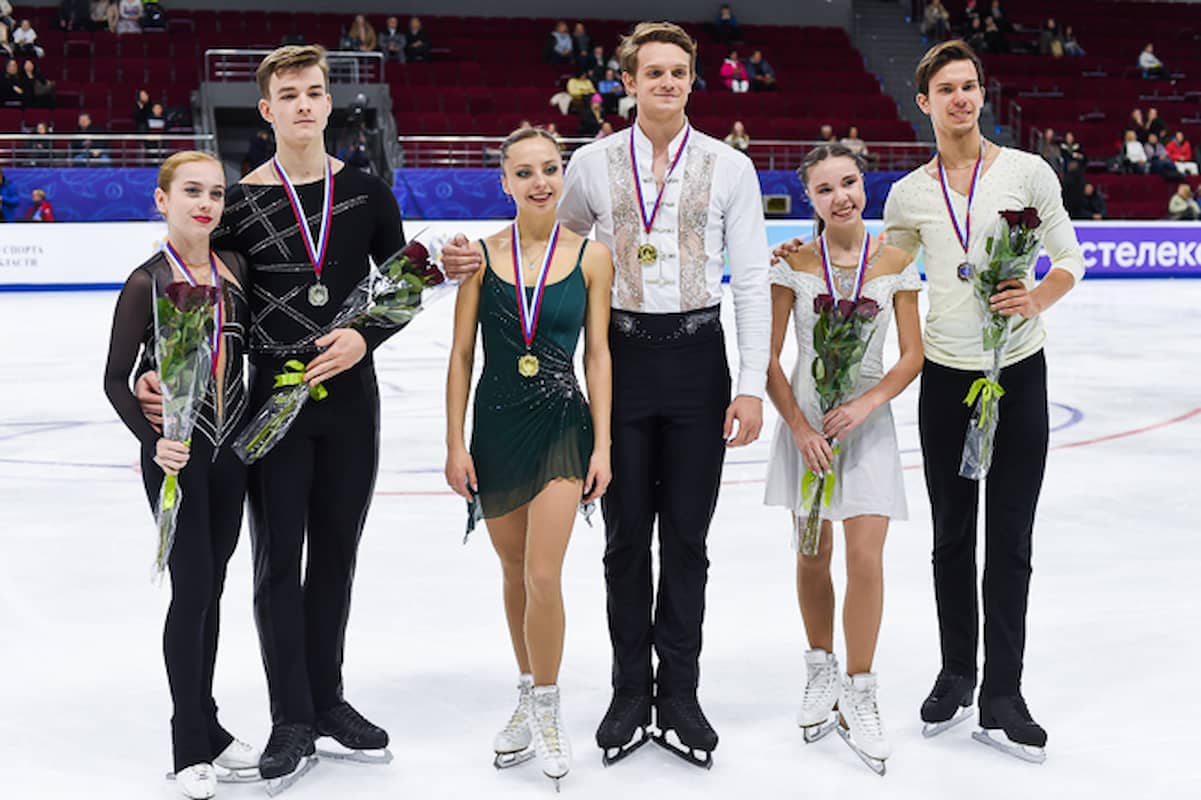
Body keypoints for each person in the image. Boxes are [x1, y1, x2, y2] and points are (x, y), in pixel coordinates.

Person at [446, 20, 769, 769]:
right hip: (617, 361)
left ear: (693, 80)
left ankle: (679, 693)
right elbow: (536, 252)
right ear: (627, 81)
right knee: (624, 538)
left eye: (677, 72)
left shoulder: (729, 168)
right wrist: (463, 253)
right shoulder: (589, 165)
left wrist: (749, 386)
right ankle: (630, 692)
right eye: (651, 72)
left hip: (697, 360)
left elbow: (751, 280)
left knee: (686, 537)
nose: (665, 83)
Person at [134, 45, 410, 791]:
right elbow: (193, 289)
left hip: (352, 402)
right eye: (287, 95)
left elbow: (407, 276)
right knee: (275, 562)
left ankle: (327, 699)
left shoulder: (367, 191)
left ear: (328, 103)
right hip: (268, 405)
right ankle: (290, 714)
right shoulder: (239, 200)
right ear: (266, 110)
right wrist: (156, 369)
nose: (302, 105)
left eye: (313, 93)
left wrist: (366, 333)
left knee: (337, 559)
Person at [881, 40, 1083, 763]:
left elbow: (1068, 257)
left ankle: (1003, 691)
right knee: (950, 537)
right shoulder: (907, 194)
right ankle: (955, 673)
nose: (960, 98)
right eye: (946, 88)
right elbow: (888, 269)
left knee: (1011, 539)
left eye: (969, 85)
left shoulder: (1028, 172)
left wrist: (1035, 296)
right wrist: (815, 258)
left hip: (1017, 373)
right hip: (946, 379)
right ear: (924, 101)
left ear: (979, 93)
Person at [445, 126, 614, 789]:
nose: (540, 181)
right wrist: (454, 442)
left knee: (544, 574)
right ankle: (526, 686)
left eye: (549, 168)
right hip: (494, 426)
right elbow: (461, 355)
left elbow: (598, 355)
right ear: (505, 182)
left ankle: (547, 707)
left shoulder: (592, 256)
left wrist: (602, 442)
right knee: (513, 572)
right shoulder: (479, 256)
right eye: (524, 172)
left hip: (562, 426)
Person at [103, 151, 261, 800]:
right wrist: (154, 440)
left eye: (217, 194)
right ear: (161, 200)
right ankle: (188, 742)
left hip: (231, 455)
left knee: (214, 587)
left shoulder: (238, 271)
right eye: (191, 191)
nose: (205, 203)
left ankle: (213, 725)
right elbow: (116, 379)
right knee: (191, 589)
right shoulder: (146, 281)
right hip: (178, 456)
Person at [764, 143, 922, 773]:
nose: (842, 198)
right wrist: (801, 426)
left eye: (849, 183)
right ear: (810, 200)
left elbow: (910, 354)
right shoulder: (793, 263)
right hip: (807, 427)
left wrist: (867, 403)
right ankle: (820, 666)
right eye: (825, 190)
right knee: (811, 551)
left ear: (865, 183)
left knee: (865, 557)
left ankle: (861, 686)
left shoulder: (897, 260)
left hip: (868, 424)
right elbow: (769, 360)